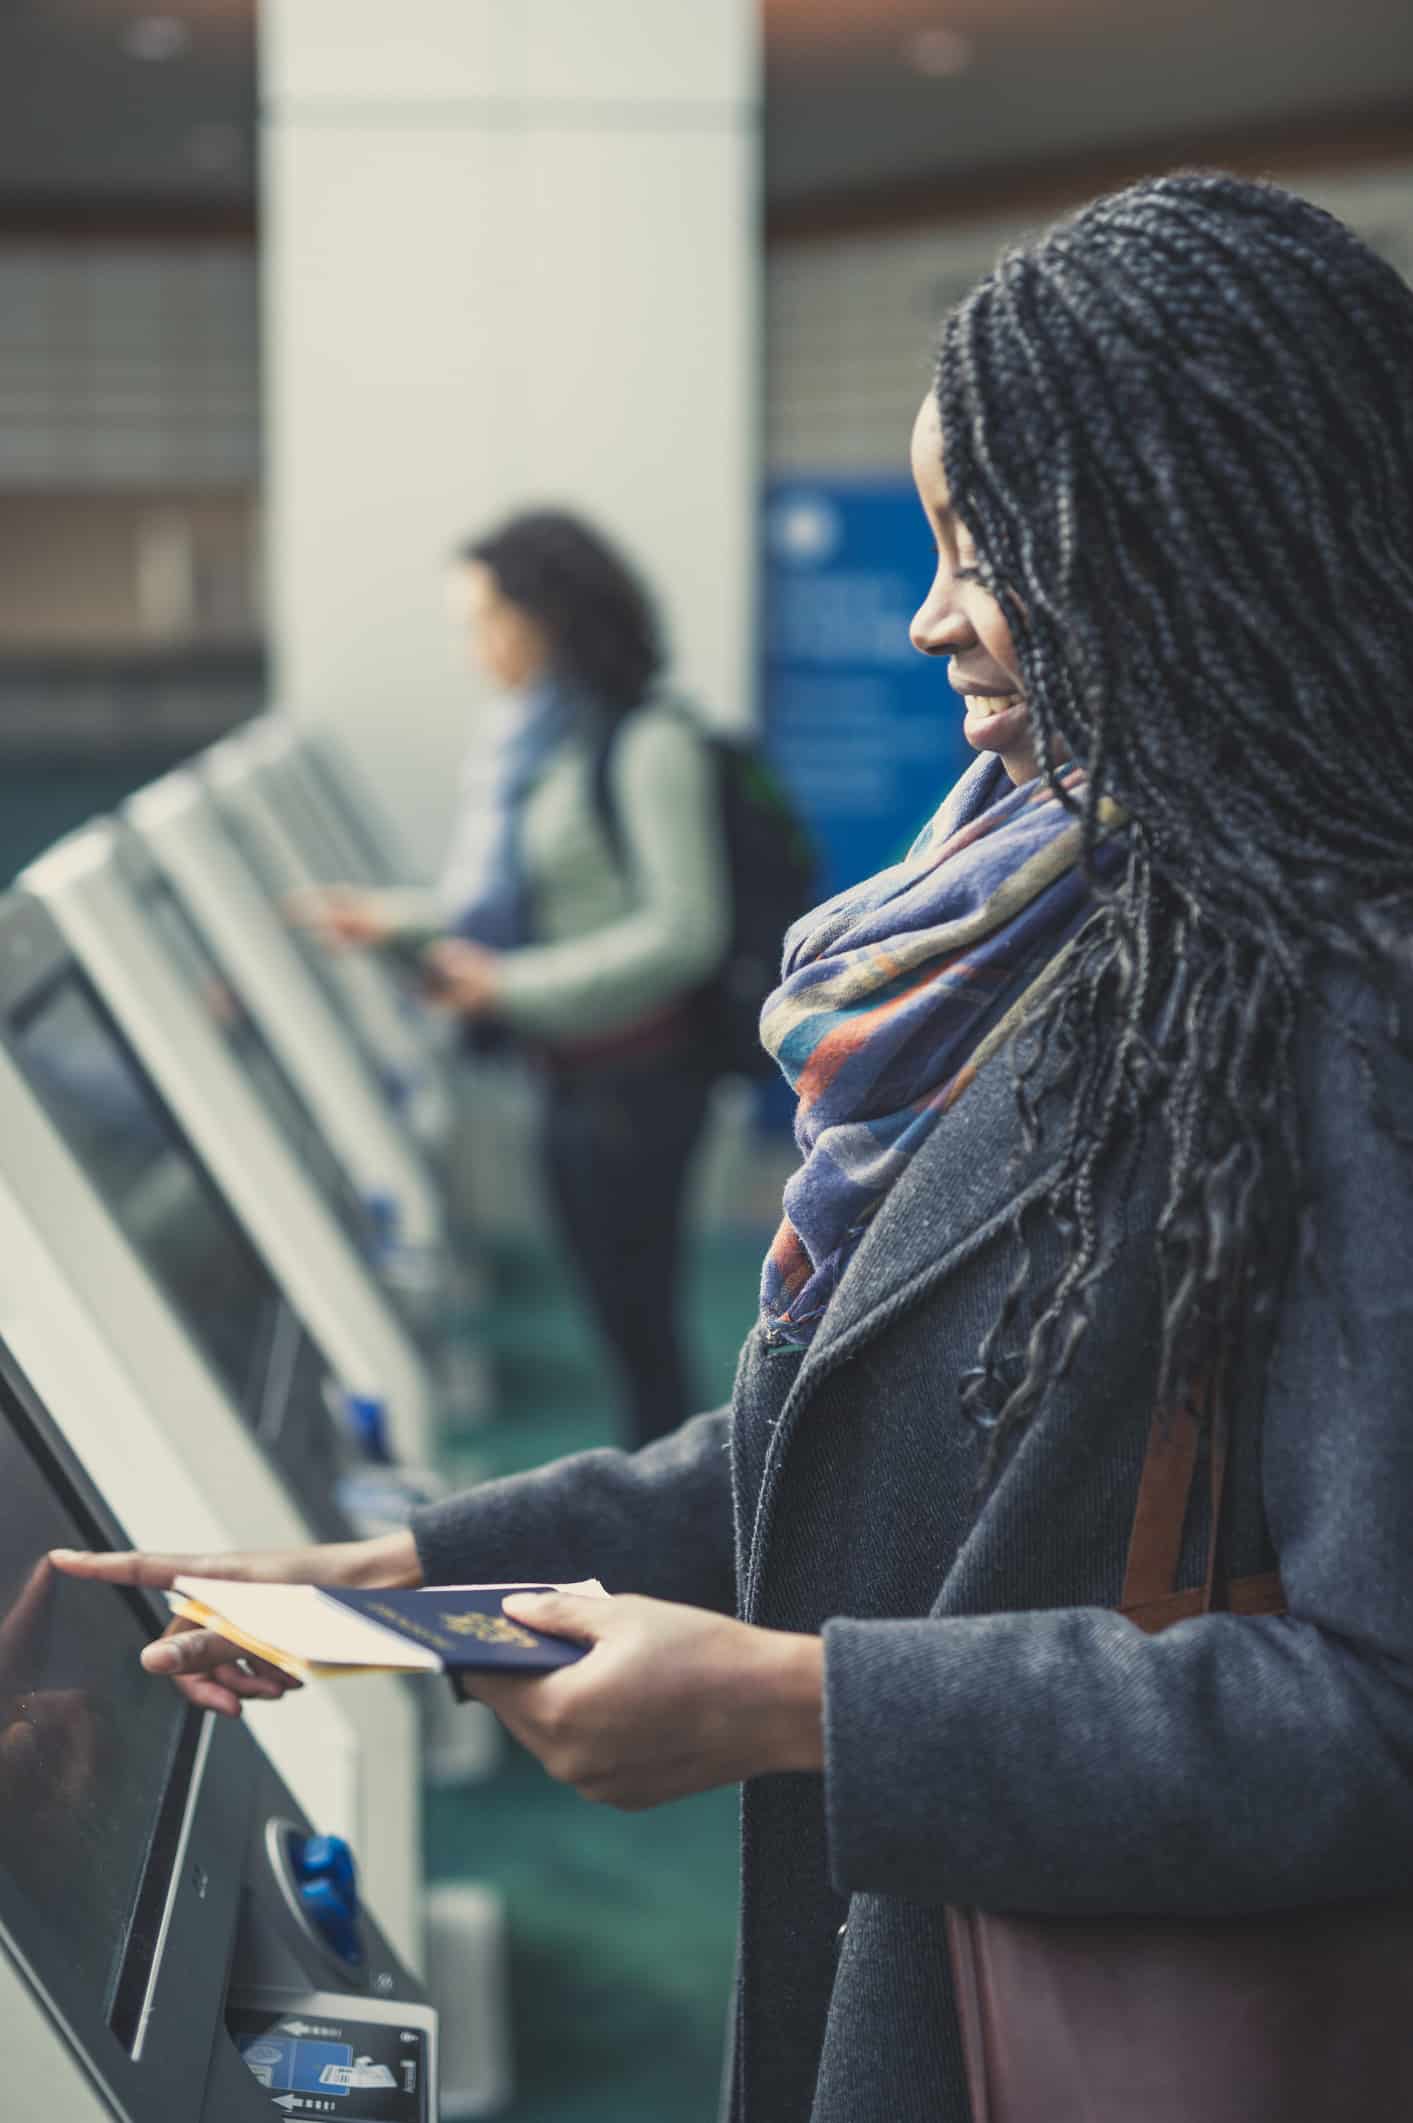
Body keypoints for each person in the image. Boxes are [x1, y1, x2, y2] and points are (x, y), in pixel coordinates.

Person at [55, 174, 1413, 2121]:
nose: (929, 615)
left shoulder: (1349, 1005)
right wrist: (406, 1572)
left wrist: (798, 1701)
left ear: (1197, 546)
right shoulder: (1084, 916)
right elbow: (858, 1428)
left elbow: (1376, 1704)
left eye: (986, 553)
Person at [296, 510, 730, 1448]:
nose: (474, 649)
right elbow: (530, 898)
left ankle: (681, 1499)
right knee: (619, 1319)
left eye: (485, 620)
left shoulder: (646, 740)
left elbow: (683, 931)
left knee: (641, 1320)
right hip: (571, 1073)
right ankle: (659, 1487)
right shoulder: (541, 743)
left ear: (550, 616)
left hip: (639, 1079)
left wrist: (506, 987)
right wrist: (392, 919)